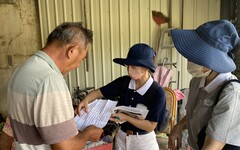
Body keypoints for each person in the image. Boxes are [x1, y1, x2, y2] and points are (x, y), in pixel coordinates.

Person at [7, 22, 103, 149]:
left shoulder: (21, 70)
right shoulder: (50, 80)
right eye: (82, 59)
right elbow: (65, 148)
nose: (78, 65)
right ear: (72, 51)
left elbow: (15, 125)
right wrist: (87, 134)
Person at [76, 43, 166, 150]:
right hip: (121, 138)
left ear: (146, 67)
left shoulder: (157, 92)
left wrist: (126, 117)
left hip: (143, 142)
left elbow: (150, 126)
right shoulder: (124, 82)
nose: (129, 70)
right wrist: (85, 100)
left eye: (133, 66)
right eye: (128, 66)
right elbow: (98, 92)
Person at [168, 20, 240, 150]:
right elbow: (194, 113)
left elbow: (213, 146)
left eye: (196, 55)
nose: (189, 59)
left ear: (213, 60)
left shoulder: (231, 93)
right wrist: (178, 127)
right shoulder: (197, 80)